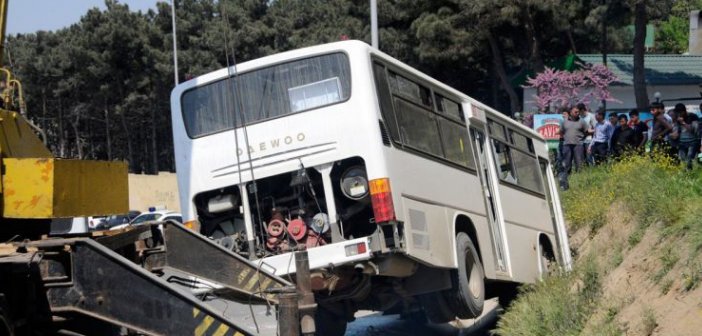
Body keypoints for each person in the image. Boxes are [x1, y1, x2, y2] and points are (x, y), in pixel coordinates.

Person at [558, 106, 588, 190]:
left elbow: (586, 132)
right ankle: (565, 185)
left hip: (578, 145)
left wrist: (581, 139)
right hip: (567, 145)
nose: (577, 113)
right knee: (566, 165)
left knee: (580, 165)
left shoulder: (582, 121)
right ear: (570, 112)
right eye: (575, 112)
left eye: (578, 112)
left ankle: (581, 185)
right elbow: (561, 132)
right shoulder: (564, 122)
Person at [673, 104, 699, 170]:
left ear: (684, 111)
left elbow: (693, 130)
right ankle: (686, 174)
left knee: (690, 159)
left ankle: (691, 173)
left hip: (692, 142)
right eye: (677, 113)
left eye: (680, 112)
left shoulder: (692, 116)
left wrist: (683, 122)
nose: (679, 114)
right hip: (681, 142)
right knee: (683, 160)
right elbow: (676, 130)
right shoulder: (676, 118)